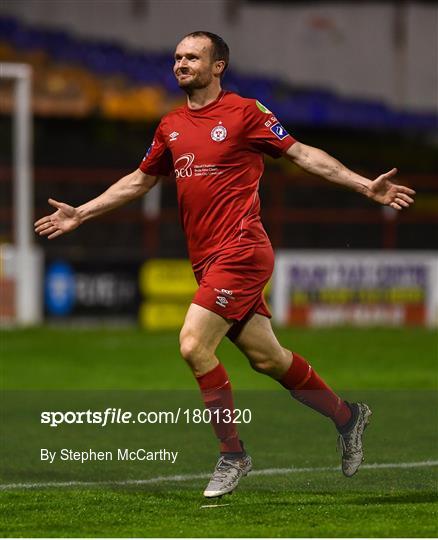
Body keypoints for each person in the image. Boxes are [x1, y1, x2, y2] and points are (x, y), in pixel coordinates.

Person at [35, 31, 415, 498]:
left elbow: (300, 153)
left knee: (194, 345)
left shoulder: (245, 112)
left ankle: (232, 455)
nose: (181, 64)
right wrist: (82, 213)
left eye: (192, 57)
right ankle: (347, 416)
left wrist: (363, 186)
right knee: (268, 358)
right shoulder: (170, 124)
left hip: (243, 250)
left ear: (219, 66)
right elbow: (139, 182)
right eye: (176, 57)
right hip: (207, 260)